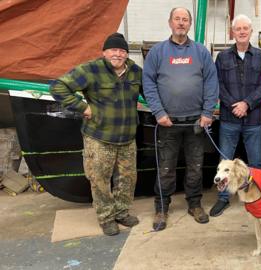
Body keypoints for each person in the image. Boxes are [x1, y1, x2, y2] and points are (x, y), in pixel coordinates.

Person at [50, 33, 142, 236]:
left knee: (127, 179)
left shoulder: (136, 72)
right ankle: (106, 218)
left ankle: (121, 212)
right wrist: (82, 107)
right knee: (100, 180)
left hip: (127, 139)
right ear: (104, 52)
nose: (117, 54)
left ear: (126, 54)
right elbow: (58, 86)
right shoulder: (91, 69)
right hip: (99, 138)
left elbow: (150, 91)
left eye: (122, 50)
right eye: (113, 50)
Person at [142, 7, 219, 231]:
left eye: (185, 20)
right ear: (170, 23)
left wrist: (207, 113)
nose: (181, 23)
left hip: (196, 122)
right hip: (168, 123)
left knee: (195, 166)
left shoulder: (201, 52)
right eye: (177, 19)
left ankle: (194, 204)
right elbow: (148, 84)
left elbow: (211, 83)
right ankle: (162, 208)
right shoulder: (157, 52)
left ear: (190, 24)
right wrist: (158, 112)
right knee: (165, 168)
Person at [209, 14, 261, 217]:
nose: (242, 32)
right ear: (232, 32)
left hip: (253, 120)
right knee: (225, 164)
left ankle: (257, 197)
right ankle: (224, 198)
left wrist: (246, 104)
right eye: (238, 29)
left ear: (251, 31)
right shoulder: (223, 57)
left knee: (256, 163)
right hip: (229, 119)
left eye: (246, 28)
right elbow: (218, 85)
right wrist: (234, 106)